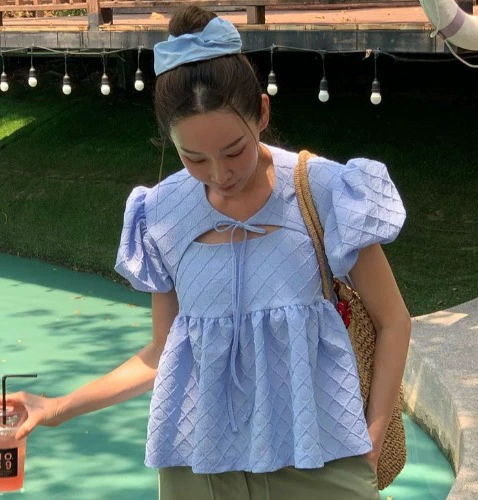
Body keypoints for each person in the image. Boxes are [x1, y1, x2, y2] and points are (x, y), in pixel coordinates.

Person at [7, 6, 411, 499]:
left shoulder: (325, 189)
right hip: (198, 464)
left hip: (318, 453)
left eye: (234, 150)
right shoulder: (160, 213)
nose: (220, 174)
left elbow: (393, 321)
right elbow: (161, 353)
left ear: (262, 112)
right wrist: (56, 407)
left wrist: (373, 440)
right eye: (193, 158)